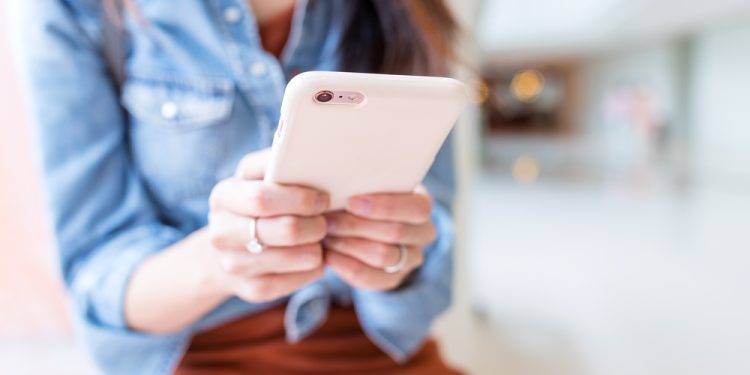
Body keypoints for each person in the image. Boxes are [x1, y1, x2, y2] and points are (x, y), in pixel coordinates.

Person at [12, 0, 460, 374]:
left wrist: (397, 261)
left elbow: (434, 250)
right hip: (206, 359)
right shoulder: (76, 11)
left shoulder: (405, 10)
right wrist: (220, 262)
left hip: (383, 357)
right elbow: (96, 283)